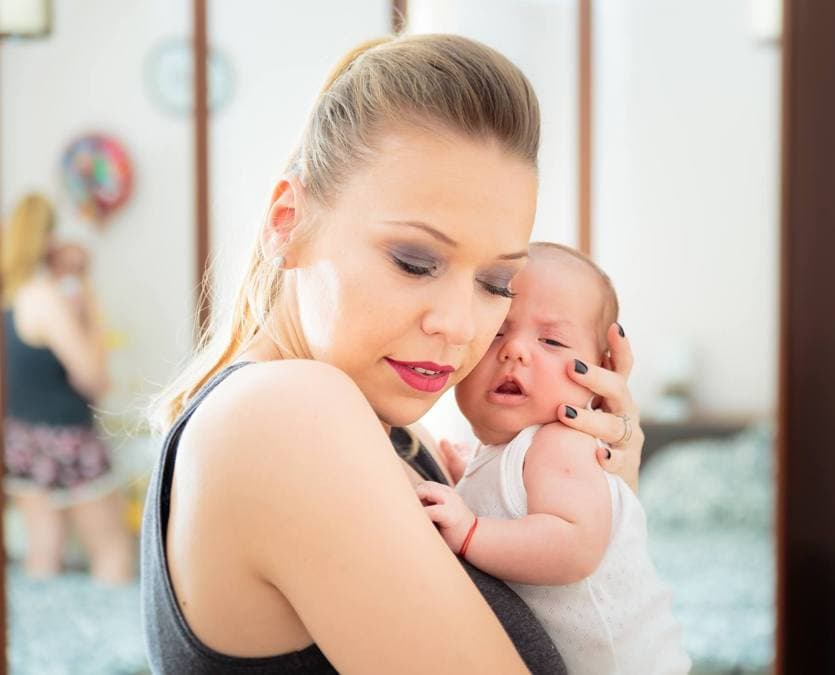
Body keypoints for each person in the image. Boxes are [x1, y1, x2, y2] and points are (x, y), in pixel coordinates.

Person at [142, 34, 646, 675]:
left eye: (496, 284)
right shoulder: (283, 412)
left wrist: (600, 498)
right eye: (415, 262)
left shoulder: (407, 442)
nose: (460, 326)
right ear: (286, 222)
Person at [416, 242, 691, 674]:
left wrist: (470, 529)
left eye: (552, 340)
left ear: (598, 374)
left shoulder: (562, 441)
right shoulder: (512, 452)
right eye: (496, 334)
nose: (515, 351)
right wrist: (467, 484)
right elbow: (519, 507)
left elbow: (573, 546)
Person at [1, 192, 134, 583]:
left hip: (23, 435)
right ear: (47, 240)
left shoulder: (9, 296)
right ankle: (107, 642)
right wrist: (88, 299)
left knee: (42, 551)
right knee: (112, 549)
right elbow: (94, 378)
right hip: (67, 437)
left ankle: (40, 642)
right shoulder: (44, 297)